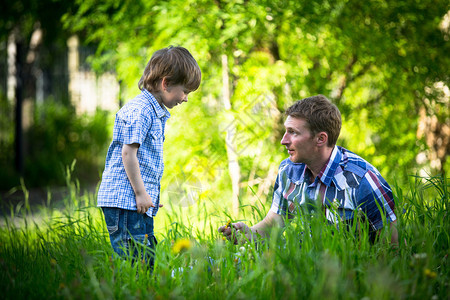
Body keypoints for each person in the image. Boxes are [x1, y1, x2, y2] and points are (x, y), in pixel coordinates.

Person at [219, 95, 398, 245]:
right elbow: (274, 222)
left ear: (320, 139)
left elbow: (393, 247)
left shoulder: (361, 180)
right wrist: (248, 233)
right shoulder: (288, 171)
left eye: (293, 132)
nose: (283, 140)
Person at [97, 46, 201, 269]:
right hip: (125, 202)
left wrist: (149, 195)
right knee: (137, 260)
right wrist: (141, 193)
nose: (185, 98)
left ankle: (144, 290)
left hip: (134, 201)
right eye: (185, 91)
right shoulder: (141, 111)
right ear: (166, 84)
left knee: (147, 255)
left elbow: (142, 160)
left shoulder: (153, 111)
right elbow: (128, 154)